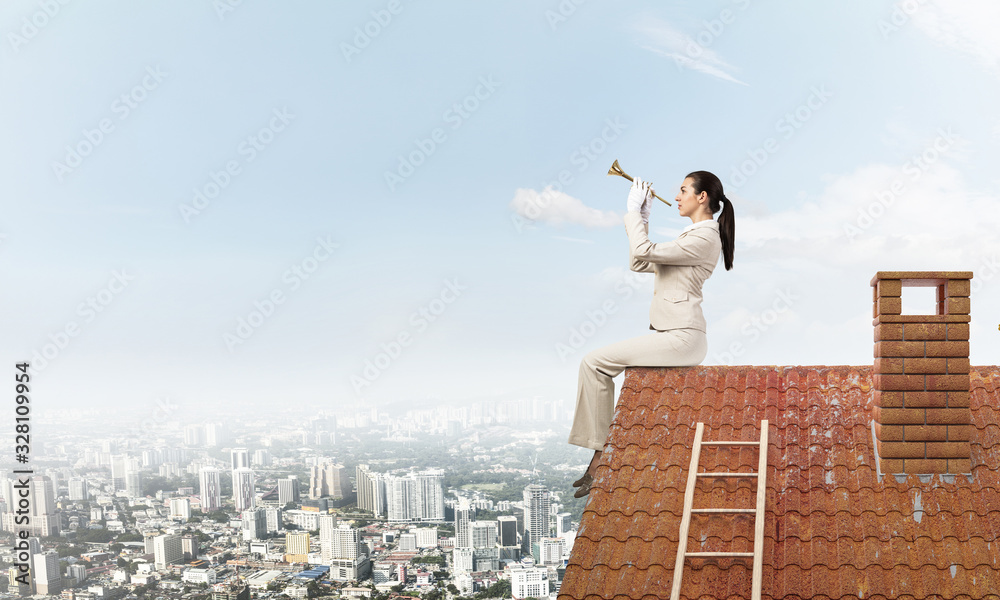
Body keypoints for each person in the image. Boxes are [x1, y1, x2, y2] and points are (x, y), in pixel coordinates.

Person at [567, 170, 735, 497]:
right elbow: (639, 262)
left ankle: (601, 454)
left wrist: (632, 213)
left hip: (681, 335)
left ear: (702, 197)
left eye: (684, 190)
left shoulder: (704, 237)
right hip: (674, 334)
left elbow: (644, 252)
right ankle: (600, 455)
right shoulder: (691, 237)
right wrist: (642, 220)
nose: (676, 196)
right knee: (596, 363)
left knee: (593, 362)